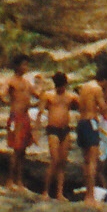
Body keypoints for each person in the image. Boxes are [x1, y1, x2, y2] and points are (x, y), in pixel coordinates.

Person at [0, 65, 35, 192]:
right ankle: (10, 180)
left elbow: (36, 94)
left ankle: (19, 181)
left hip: (25, 116)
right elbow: (2, 95)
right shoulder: (10, 81)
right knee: (16, 149)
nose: (26, 66)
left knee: (23, 151)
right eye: (24, 64)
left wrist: (40, 82)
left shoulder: (27, 82)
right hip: (16, 116)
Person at [74, 67, 107, 204]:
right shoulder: (97, 89)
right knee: (92, 161)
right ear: (105, 81)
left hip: (81, 122)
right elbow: (104, 110)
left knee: (86, 161)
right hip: (91, 123)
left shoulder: (84, 87)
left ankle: (88, 194)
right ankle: (90, 196)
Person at [43, 69, 75, 200]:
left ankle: (59, 192)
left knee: (62, 162)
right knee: (54, 160)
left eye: (63, 86)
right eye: (59, 86)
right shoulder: (48, 96)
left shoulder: (71, 97)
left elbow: (83, 105)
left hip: (65, 130)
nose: (61, 88)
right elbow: (40, 111)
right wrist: (36, 130)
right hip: (53, 129)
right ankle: (45, 191)